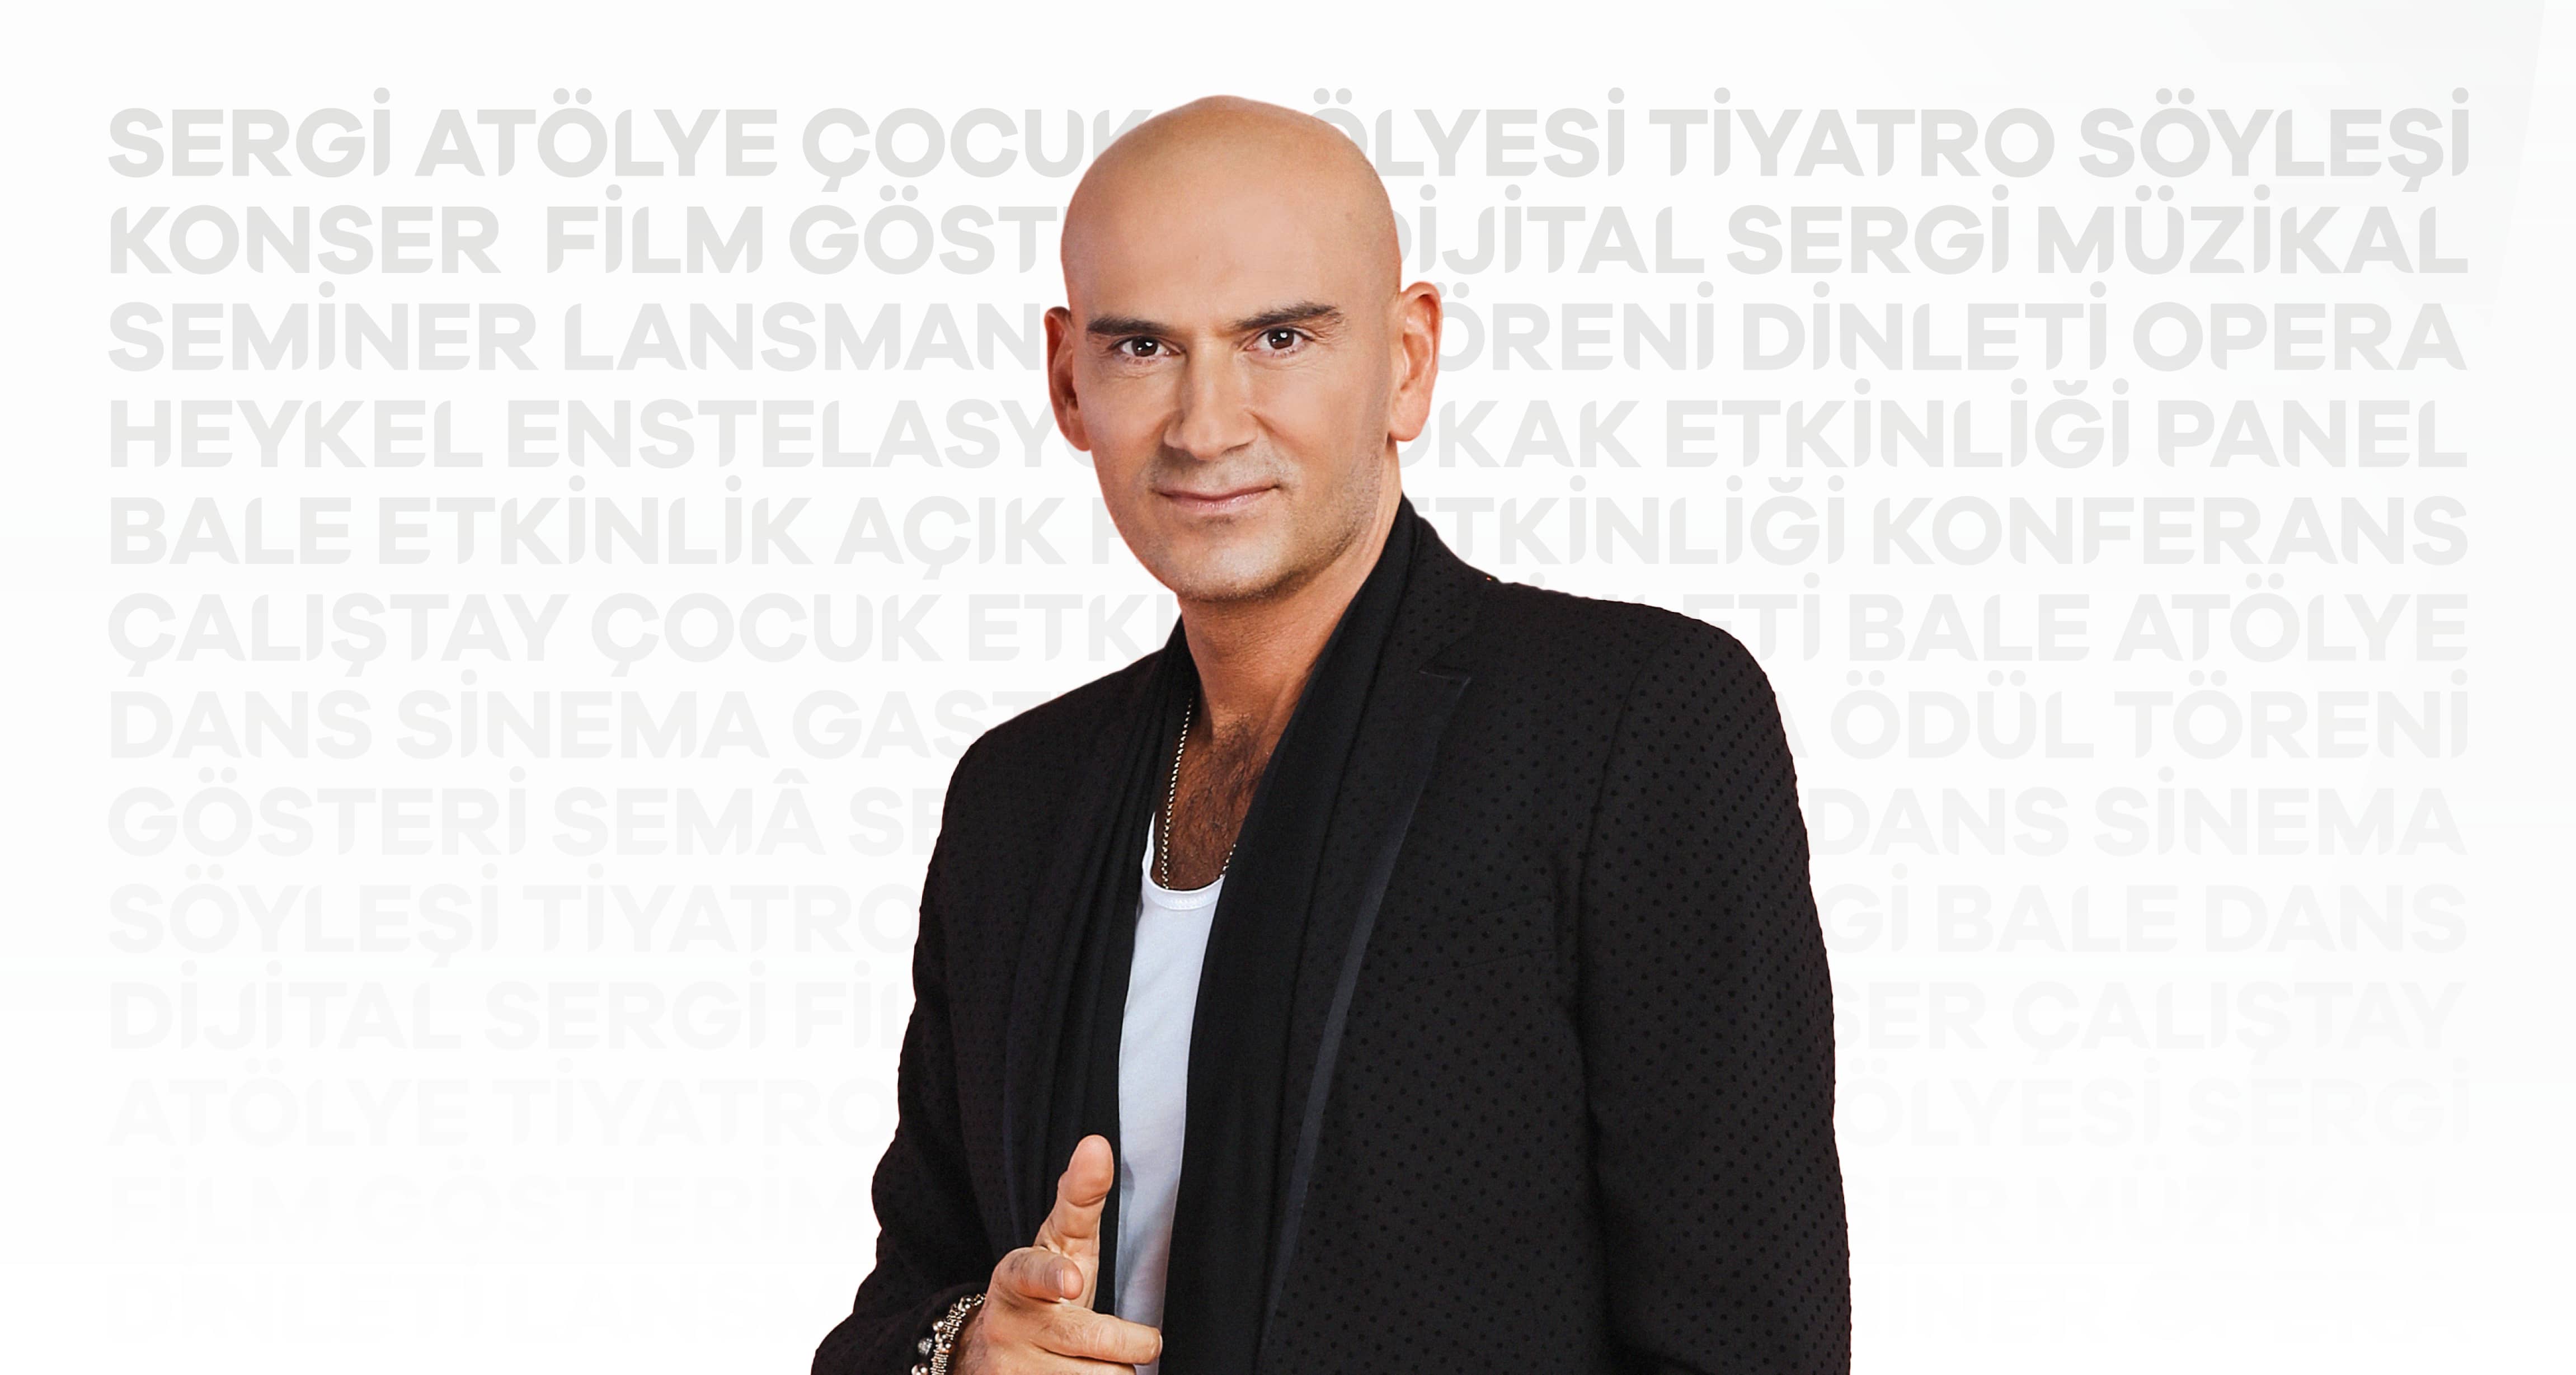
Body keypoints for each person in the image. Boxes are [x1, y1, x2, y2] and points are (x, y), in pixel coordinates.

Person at [812, 95, 1848, 1375]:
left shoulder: (1629, 722)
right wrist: (969, 1347)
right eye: (1142, 346)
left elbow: (1752, 1338)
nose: (1205, 424)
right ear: (1067, 379)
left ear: (1408, 360)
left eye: (1279, 337)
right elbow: (903, 1294)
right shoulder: (1018, 795)